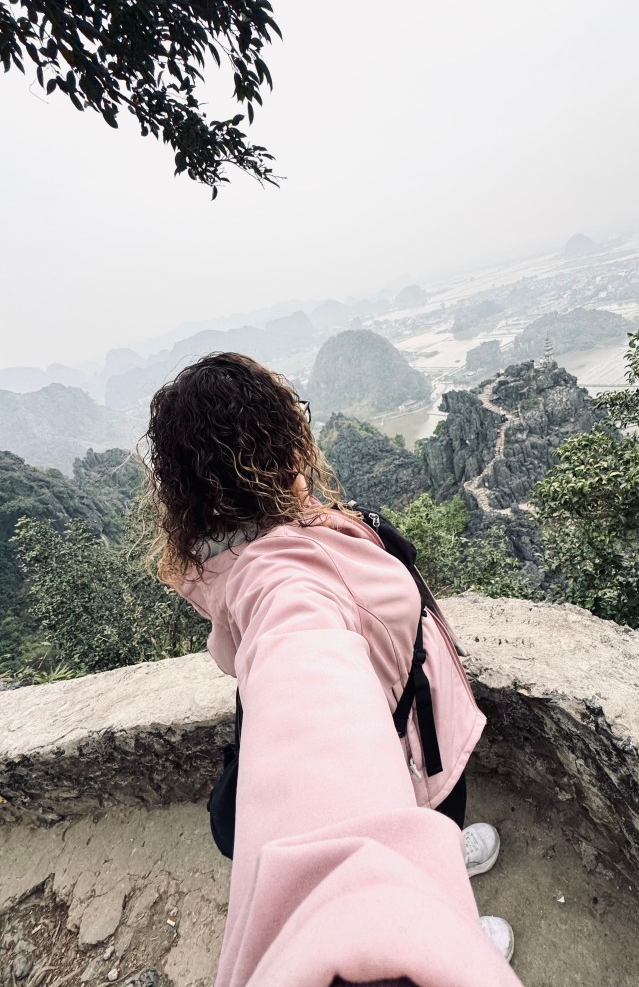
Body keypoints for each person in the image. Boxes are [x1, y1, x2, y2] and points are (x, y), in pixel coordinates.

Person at [145, 352, 521, 987]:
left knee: (435, 827)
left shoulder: (238, 560)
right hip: (411, 750)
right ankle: (447, 923)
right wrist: (384, 944)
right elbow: (306, 685)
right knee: (431, 815)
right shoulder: (285, 582)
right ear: (287, 447)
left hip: (404, 722)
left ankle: (439, 867)